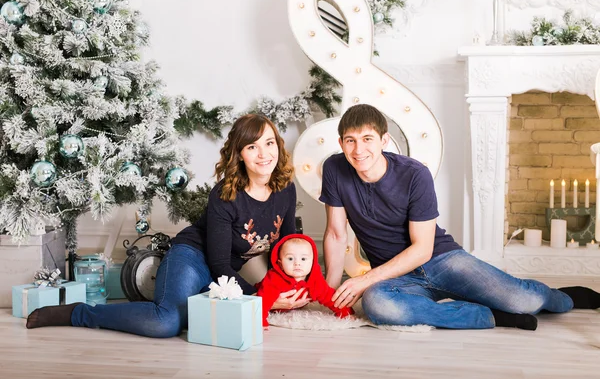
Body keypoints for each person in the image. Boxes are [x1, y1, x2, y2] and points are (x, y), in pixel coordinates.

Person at [320, 104, 600, 331]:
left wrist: (364, 279)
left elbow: (422, 249)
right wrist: (328, 293)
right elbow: (335, 233)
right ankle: (489, 316)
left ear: (384, 140)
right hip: (397, 276)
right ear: (341, 143)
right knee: (379, 305)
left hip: (442, 260)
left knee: (522, 299)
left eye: (367, 139)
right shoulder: (335, 168)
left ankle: (564, 297)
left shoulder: (415, 174)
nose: (358, 150)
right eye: (350, 141)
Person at [26, 114, 311, 337]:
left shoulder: (284, 188)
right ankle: (79, 314)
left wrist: (290, 288)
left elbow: (285, 248)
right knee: (167, 323)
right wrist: (262, 299)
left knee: (200, 316)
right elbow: (220, 264)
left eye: (269, 143)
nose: (264, 154)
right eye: (252, 146)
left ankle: (193, 301)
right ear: (239, 154)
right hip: (193, 257)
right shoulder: (226, 195)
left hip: (222, 277)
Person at [256, 234, 354, 327]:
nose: (297, 263)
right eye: (290, 258)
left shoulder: (314, 279)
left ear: (312, 262)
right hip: (265, 297)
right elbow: (263, 300)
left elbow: (329, 296)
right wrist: (260, 322)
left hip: (292, 306)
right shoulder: (274, 278)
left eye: (303, 259)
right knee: (255, 296)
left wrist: (346, 312)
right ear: (280, 264)